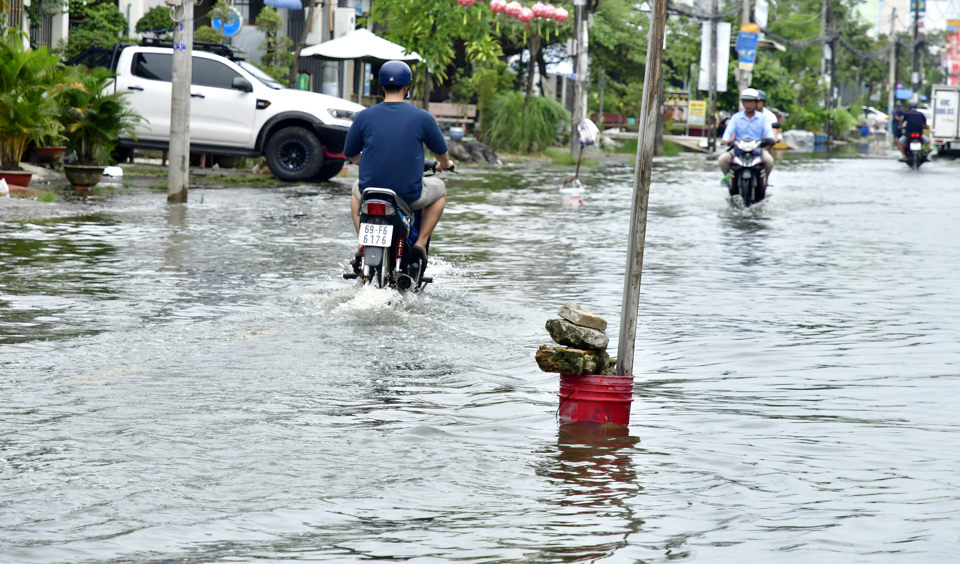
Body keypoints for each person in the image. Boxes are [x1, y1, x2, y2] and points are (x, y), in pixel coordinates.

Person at [344, 60, 454, 266]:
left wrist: (365, 161)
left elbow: (350, 154)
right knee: (440, 189)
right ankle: (420, 243)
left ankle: (362, 242)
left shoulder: (364, 116)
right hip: (409, 196)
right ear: (407, 87)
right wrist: (445, 164)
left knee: (355, 189)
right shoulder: (422, 117)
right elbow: (442, 153)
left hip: (371, 194)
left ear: (382, 86)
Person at [718, 88, 776, 179]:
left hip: (757, 149)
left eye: (751, 102)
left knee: (769, 161)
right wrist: (726, 140)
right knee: (722, 159)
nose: (748, 104)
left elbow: (770, 134)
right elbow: (728, 132)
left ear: (756, 103)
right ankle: (729, 179)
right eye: (746, 102)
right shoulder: (736, 117)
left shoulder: (763, 118)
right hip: (738, 149)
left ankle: (764, 181)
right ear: (742, 103)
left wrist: (769, 140)